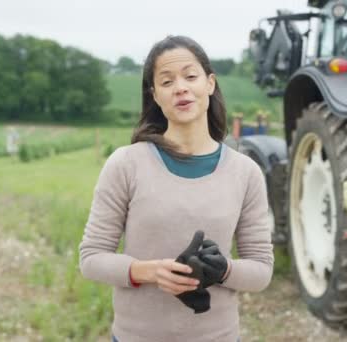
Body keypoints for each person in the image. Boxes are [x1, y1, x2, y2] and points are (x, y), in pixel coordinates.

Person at [79, 35, 273, 342]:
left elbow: (261, 271)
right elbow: (91, 258)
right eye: (167, 81)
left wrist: (223, 271)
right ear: (155, 95)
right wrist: (149, 271)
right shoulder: (126, 164)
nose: (180, 87)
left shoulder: (245, 172)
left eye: (190, 76)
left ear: (210, 83)